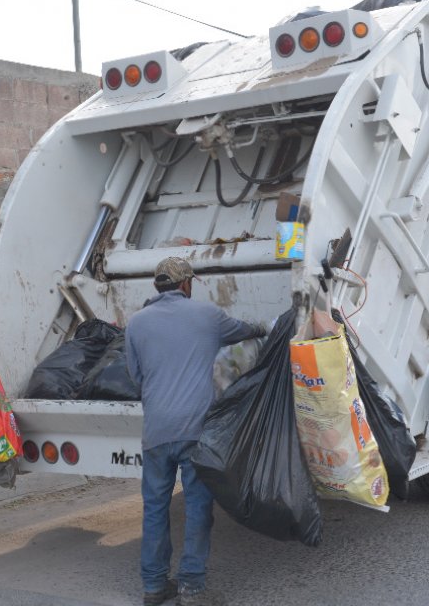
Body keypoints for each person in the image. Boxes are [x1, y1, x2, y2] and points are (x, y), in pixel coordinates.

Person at [125, 257, 265, 606]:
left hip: (156, 430)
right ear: (186, 284)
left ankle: (154, 587)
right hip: (196, 430)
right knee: (198, 507)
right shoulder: (208, 316)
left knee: (155, 508)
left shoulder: (136, 324)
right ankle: (191, 587)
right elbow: (247, 331)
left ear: (157, 286)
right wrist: (270, 327)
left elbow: (136, 377)